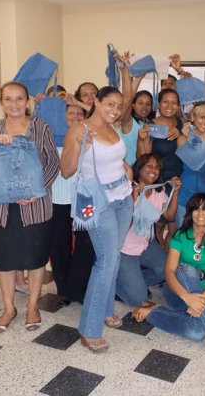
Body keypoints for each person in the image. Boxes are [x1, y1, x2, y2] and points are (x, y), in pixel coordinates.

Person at [0, 82, 59, 333]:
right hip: (1, 208)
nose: (14, 104)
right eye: (8, 99)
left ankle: (32, 306)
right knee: (5, 260)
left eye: (19, 99)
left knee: (36, 259)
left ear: (27, 101)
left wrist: (34, 192)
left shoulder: (40, 127)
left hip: (35, 207)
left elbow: (52, 164)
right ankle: (9, 308)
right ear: (1, 102)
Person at [61, 86, 133, 353]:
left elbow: (118, 158)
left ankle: (105, 310)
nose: (114, 110)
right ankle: (89, 329)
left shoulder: (113, 127)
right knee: (106, 261)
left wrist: (127, 169)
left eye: (118, 106)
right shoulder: (80, 130)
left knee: (113, 256)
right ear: (97, 102)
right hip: (98, 202)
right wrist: (80, 146)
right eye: (110, 104)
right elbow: (66, 170)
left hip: (123, 199)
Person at [132, 193, 205, 363]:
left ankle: (153, 312)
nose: (201, 213)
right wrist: (186, 297)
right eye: (196, 209)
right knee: (188, 270)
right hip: (177, 290)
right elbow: (169, 271)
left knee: (196, 333)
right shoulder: (180, 236)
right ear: (190, 213)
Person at [116, 154, 181, 307]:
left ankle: (132, 280)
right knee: (140, 299)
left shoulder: (159, 192)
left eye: (157, 167)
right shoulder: (126, 187)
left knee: (167, 269)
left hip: (144, 244)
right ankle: (116, 284)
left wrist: (176, 191)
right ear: (139, 169)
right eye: (149, 166)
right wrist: (134, 195)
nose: (154, 170)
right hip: (124, 249)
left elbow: (170, 216)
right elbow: (122, 220)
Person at [49, 103, 95, 306]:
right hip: (58, 198)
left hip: (84, 198)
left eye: (80, 113)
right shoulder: (51, 137)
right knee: (60, 246)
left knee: (85, 244)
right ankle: (63, 288)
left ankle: (78, 286)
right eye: (71, 112)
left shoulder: (90, 136)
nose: (76, 116)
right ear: (63, 115)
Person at [137, 88, 183, 248]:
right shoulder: (150, 127)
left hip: (179, 180)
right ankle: (158, 263)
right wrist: (141, 139)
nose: (169, 105)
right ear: (159, 104)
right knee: (157, 227)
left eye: (174, 102)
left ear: (178, 106)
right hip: (159, 182)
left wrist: (182, 135)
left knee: (176, 227)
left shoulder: (183, 125)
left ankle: (169, 261)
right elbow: (142, 159)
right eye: (165, 101)